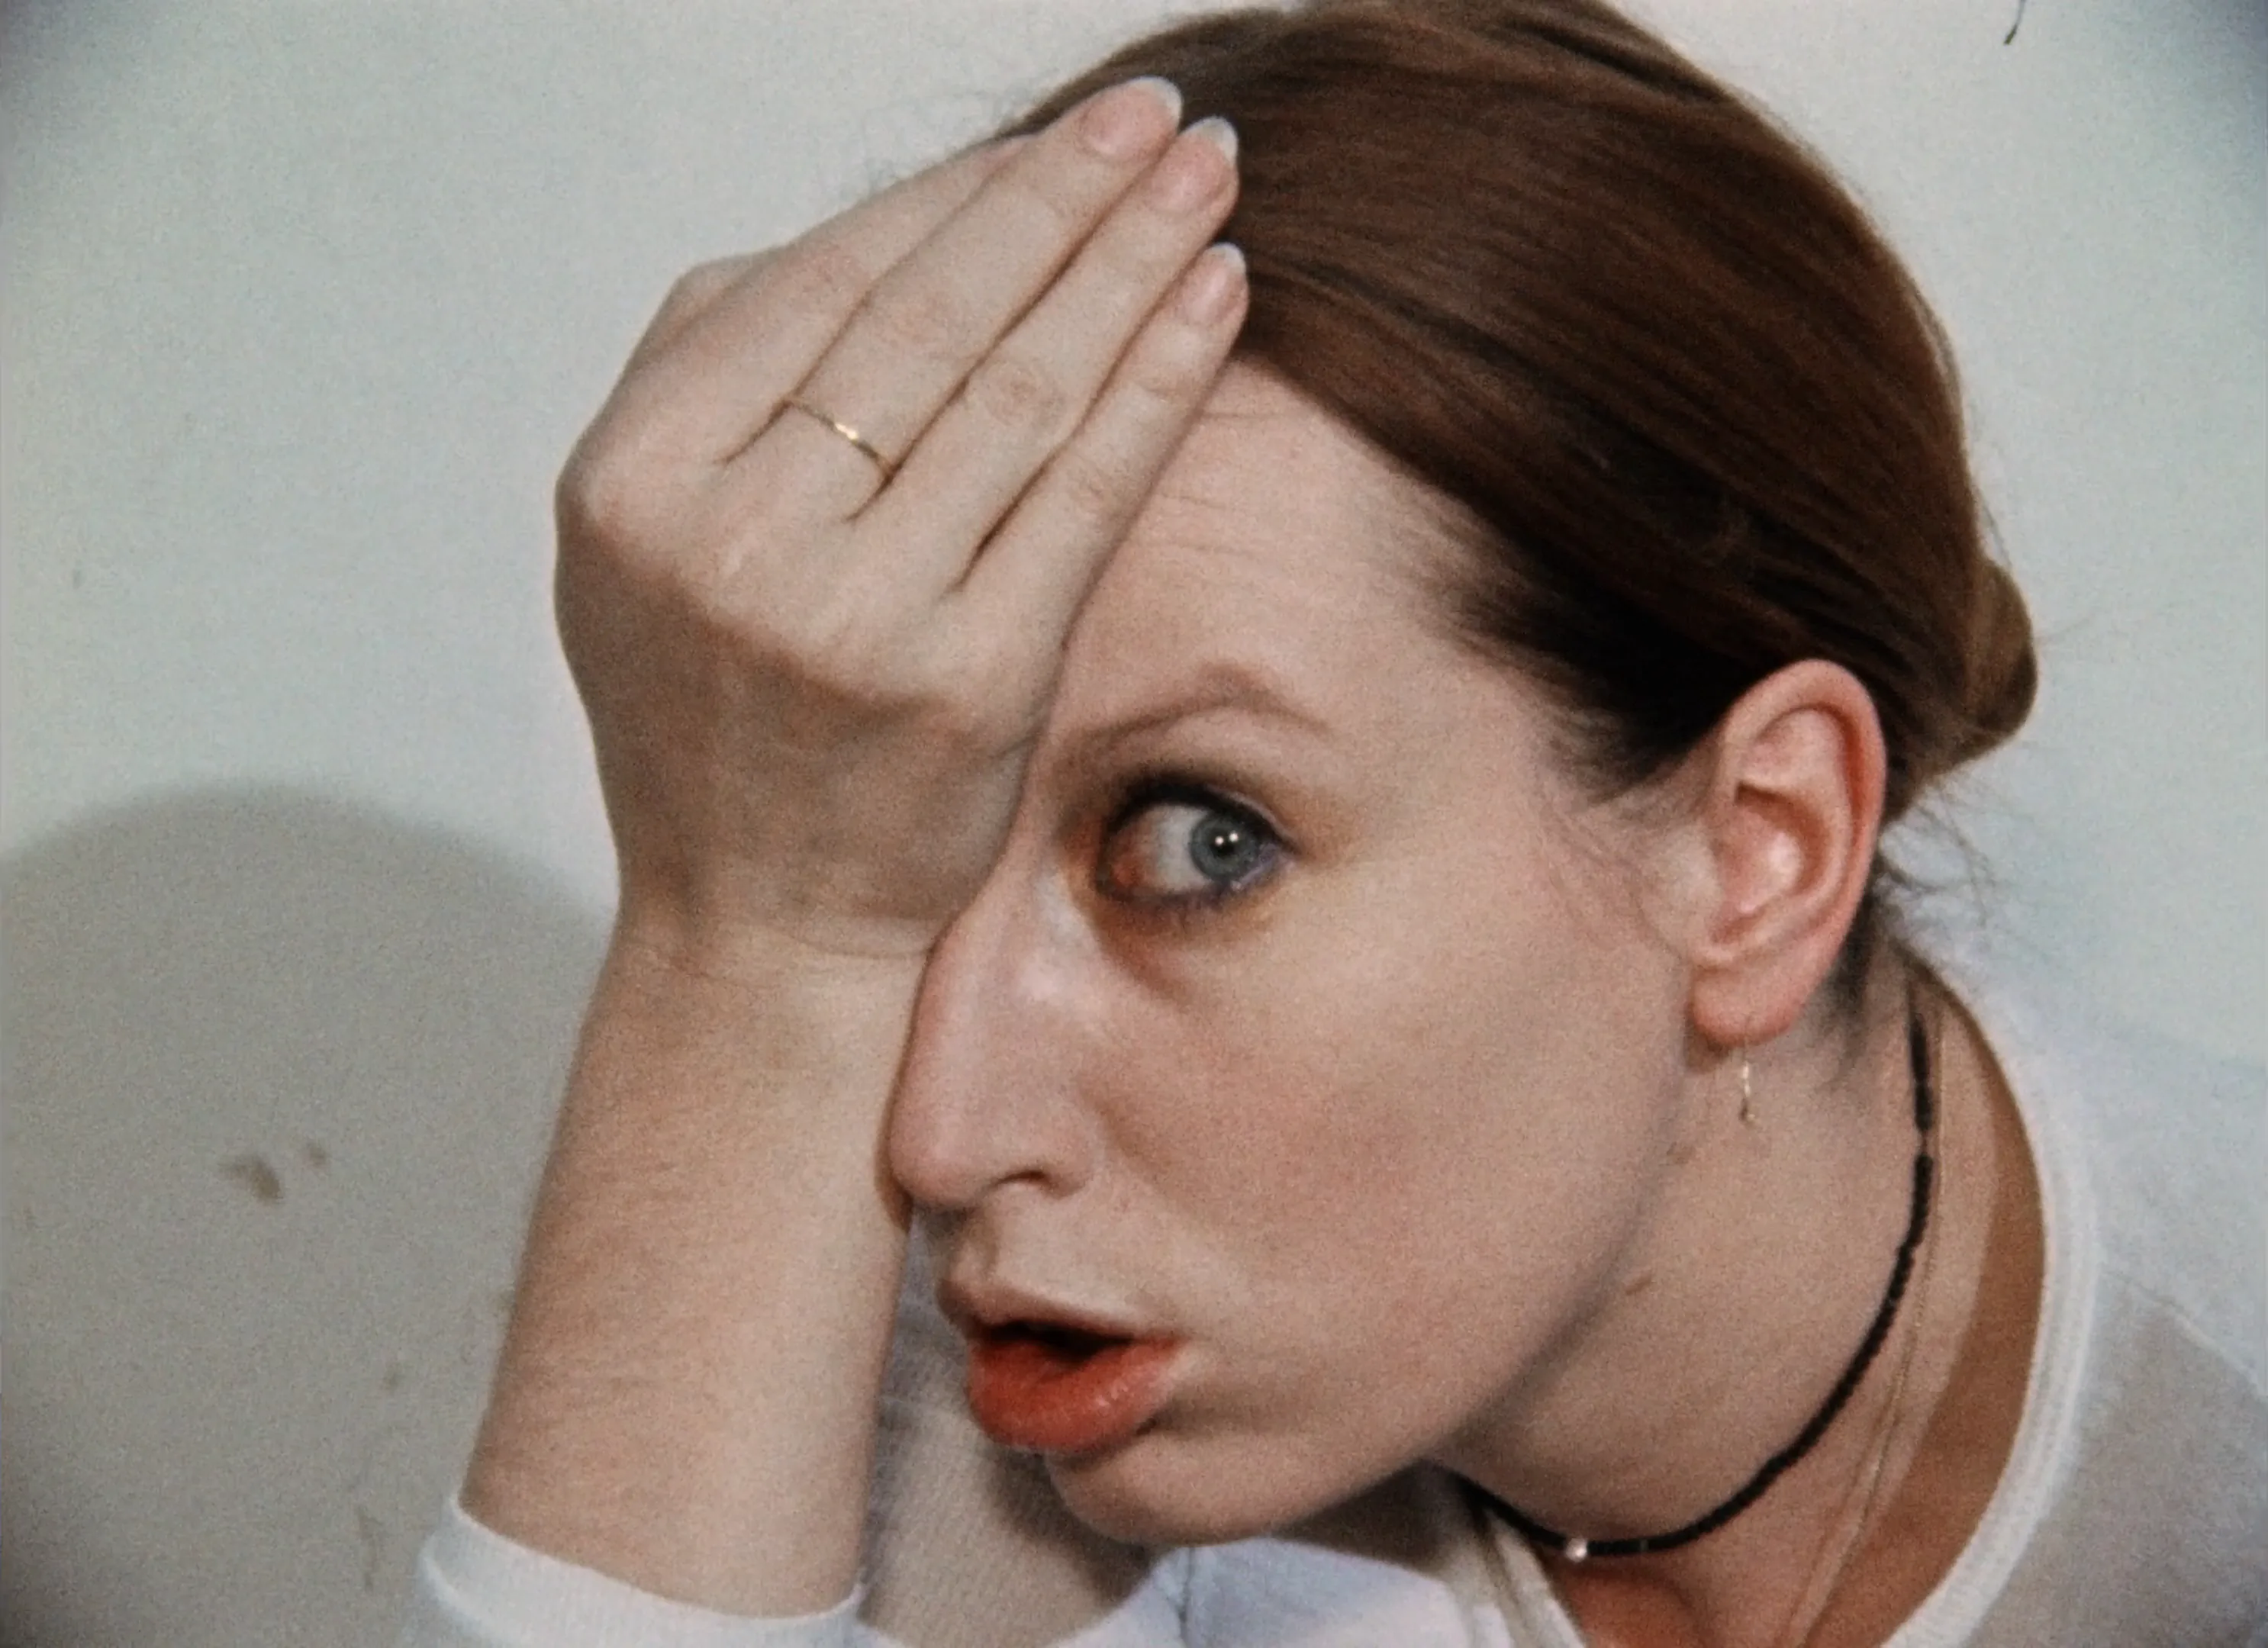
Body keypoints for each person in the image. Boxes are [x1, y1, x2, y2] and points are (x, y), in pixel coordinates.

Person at [400, 2, 2267, 1643]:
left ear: (1757, 852)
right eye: (906, 844)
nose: (942, 1135)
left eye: (1197, 844)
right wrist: (741, 952)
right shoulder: (950, 1419)